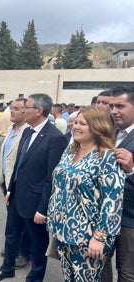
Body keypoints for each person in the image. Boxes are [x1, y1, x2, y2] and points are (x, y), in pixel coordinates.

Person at [0, 93, 67, 282]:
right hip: (16, 197)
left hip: (36, 202)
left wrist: (42, 208)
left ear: (39, 111)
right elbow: (18, 165)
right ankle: (7, 268)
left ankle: (35, 277)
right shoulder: (28, 131)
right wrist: (10, 189)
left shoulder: (55, 137)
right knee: (11, 235)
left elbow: (51, 177)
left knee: (38, 244)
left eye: (26, 108)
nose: (23, 111)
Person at [47, 106, 125, 281]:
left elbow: (113, 201)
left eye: (83, 123)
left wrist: (99, 237)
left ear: (98, 127)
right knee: (69, 277)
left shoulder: (107, 157)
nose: (75, 126)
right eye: (75, 122)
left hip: (88, 237)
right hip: (62, 230)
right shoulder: (70, 151)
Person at [101, 86, 134, 282]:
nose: (113, 111)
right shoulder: (109, 134)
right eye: (111, 106)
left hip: (129, 218)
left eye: (120, 106)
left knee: (127, 272)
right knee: (100, 262)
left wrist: (131, 170)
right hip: (105, 216)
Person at [0, 98, 31, 268]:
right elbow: (4, 155)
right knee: (13, 219)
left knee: (23, 222)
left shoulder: (28, 132)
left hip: (19, 183)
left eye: (16, 108)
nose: (12, 111)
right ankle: (13, 248)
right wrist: (0, 178)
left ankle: (24, 253)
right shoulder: (10, 128)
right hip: (7, 182)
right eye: (11, 108)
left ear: (25, 112)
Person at [0, 105, 12, 182]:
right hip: (10, 137)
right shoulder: (14, 115)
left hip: (1, 137)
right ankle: (6, 176)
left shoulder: (2, 114)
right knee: (8, 157)